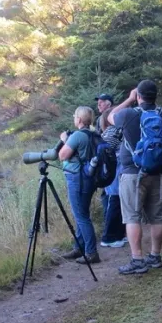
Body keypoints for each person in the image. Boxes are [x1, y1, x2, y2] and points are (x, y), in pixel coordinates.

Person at [108, 80, 162, 275]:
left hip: (132, 172)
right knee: (158, 217)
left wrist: (129, 99)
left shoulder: (127, 114)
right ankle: (155, 256)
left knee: (132, 216)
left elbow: (109, 117)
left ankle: (137, 259)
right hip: (158, 172)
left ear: (139, 96)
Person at [58, 106, 102, 264]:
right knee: (81, 214)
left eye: (75, 116)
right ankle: (79, 248)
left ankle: (91, 253)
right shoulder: (93, 134)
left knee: (82, 217)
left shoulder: (77, 136)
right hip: (89, 179)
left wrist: (64, 139)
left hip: (77, 179)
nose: (74, 118)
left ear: (79, 119)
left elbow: (62, 155)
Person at [98, 108, 127, 248]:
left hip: (116, 170)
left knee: (119, 201)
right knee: (114, 201)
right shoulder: (111, 132)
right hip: (114, 170)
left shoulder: (115, 131)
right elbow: (106, 151)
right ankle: (108, 236)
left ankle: (119, 235)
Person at [95, 94, 115, 221]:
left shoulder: (113, 116)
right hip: (106, 162)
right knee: (107, 194)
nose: (99, 105)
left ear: (109, 104)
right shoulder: (99, 119)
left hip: (110, 162)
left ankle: (110, 224)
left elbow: (102, 141)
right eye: (98, 103)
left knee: (110, 195)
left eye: (101, 102)